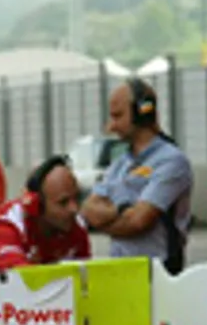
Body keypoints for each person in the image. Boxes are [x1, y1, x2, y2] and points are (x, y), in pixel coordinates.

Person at [80, 78, 193, 274]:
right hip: (121, 270)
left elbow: (138, 222)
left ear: (142, 113)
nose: (111, 126)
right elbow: (88, 210)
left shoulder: (172, 161)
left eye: (117, 116)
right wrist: (123, 210)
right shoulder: (120, 163)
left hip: (158, 272)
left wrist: (104, 219)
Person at [0, 155, 90, 273]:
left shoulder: (76, 225)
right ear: (35, 204)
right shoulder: (3, 227)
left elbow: (86, 278)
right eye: (63, 202)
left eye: (77, 198)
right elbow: (25, 284)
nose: (74, 209)